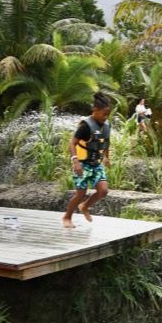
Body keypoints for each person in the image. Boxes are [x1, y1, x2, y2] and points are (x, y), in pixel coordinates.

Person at [63, 92, 112, 228]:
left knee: (103, 191)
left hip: (96, 164)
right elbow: (72, 143)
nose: (105, 117)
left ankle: (85, 206)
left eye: (108, 114)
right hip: (83, 164)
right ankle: (67, 217)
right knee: (81, 193)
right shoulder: (85, 127)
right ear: (94, 110)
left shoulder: (106, 125)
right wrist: (75, 161)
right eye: (103, 113)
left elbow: (106, 142)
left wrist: (107, 157)